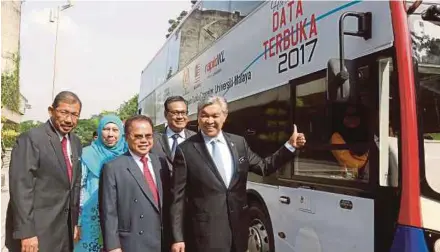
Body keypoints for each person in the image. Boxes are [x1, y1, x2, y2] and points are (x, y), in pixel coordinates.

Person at [170, 95, 306, 252]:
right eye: (204, 115)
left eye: (215, 116)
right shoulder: (186, 150)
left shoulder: (239, 143)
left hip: (239, 230)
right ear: (198, 117)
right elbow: (177, 198)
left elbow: (264, 167)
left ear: (225, 116)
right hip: (205, 234)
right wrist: (177, 237)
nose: (209, 121)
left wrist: (289, 146)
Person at [6, 91, 83, 252]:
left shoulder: (76, 143)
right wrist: (26, 233)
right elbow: (21, 188)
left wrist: (73, 223)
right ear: (51, 111)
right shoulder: (32, 139)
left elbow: (73, 186)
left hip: (64, 232)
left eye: (75, 115)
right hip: (37, 232)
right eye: (64, 112)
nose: (69, 120)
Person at [99, 115, 171, 252]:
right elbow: (108, 212)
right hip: (132, 243)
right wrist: (113, 246)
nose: (144, 141)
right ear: (126, 137)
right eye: (138, 136)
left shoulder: (160, 162)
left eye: (148, 136)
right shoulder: (113, 167)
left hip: (162, 241)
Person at [75, 115, 127, 252]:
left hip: (121, 218)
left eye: (115, 130)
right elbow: (79, 188)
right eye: (106, 129)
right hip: (90, 218)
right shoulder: (86, 154)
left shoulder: (127, 154)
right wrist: (77, 221)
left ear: (121, 132)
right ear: (99, 131)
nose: (110, 134)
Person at [151, 96, 196, 165]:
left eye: (183, 112)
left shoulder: (196, 139)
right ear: (166, 114)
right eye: (175, 113)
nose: (180, 117)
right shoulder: (153, 139)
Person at [330, 104, 369, 179]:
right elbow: (349, 162)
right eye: (348, 116)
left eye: (355, 116)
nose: (352, 119)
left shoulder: (367, 135)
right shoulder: (337, 136)